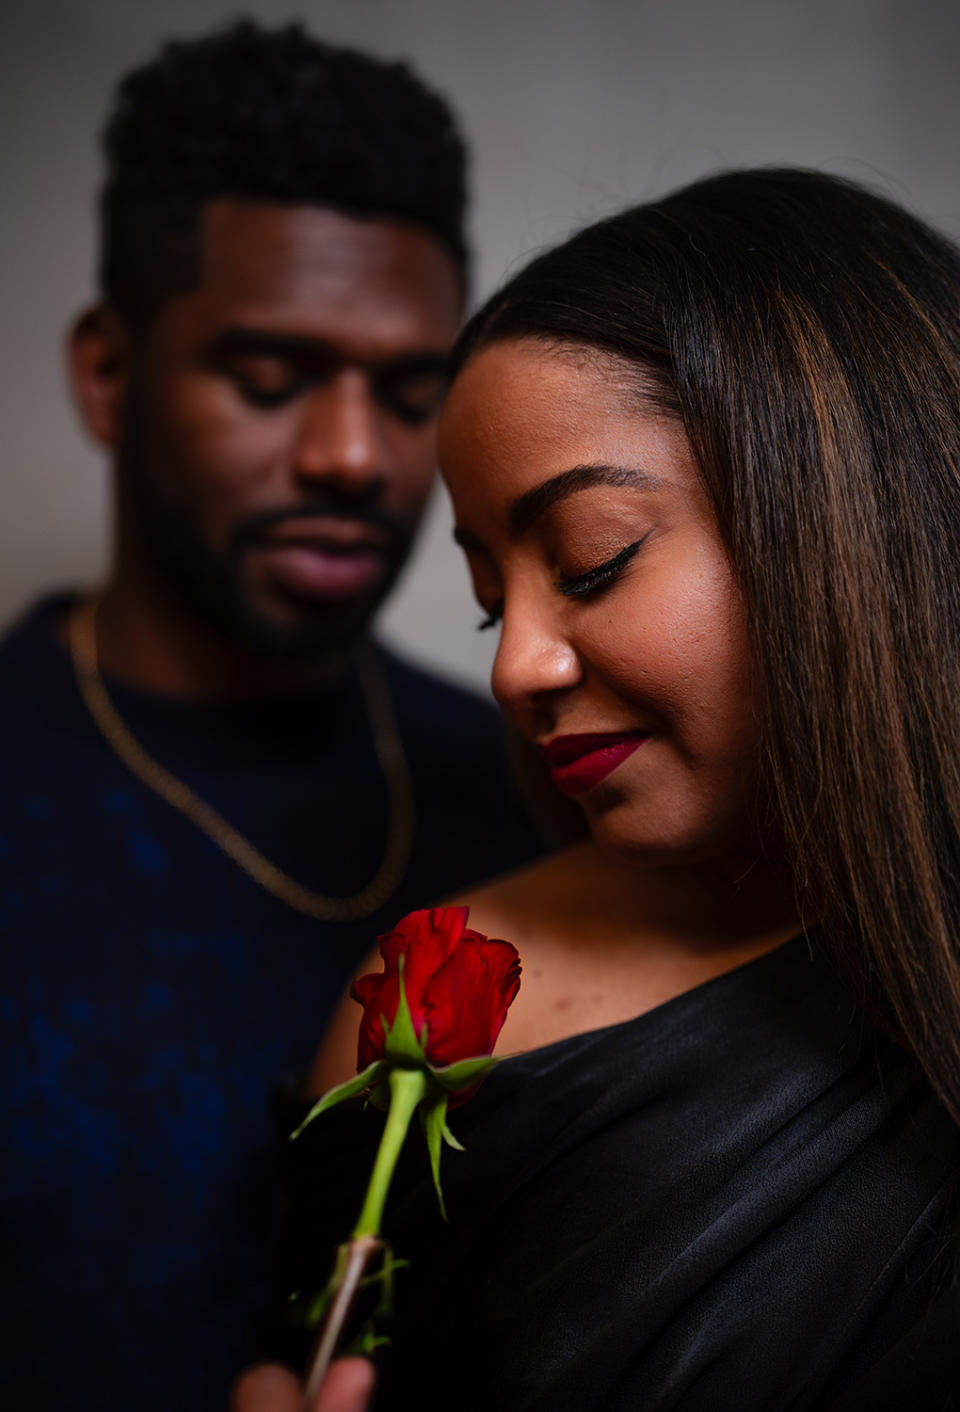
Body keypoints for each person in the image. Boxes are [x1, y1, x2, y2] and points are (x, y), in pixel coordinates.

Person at [253, 168, 960, 1409]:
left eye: (593, 560)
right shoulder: (447, 998)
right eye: (487, 608)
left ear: (850, 511)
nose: (519, 664)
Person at [0, 20, 544, 1410]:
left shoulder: (545, 785)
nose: (353, 455)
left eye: (413, 391)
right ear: (109, 376)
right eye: (269, 377)